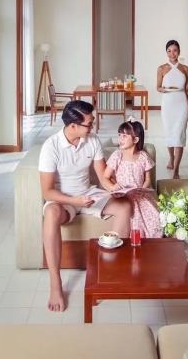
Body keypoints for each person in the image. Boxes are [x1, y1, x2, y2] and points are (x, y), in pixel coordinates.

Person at [39, 100, 132, 312]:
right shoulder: (50, 147)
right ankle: (55, 283)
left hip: (88, 193)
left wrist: (115, 188)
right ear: (73, 125)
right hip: (63, 199)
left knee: (124, 205)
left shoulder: (92, 140)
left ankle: (110, 272)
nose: (92, 126)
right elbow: (47, 192)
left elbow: (102, 177)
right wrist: (74, 201)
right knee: (51, 213)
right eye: (89, 124)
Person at [104, 120, 161, 238]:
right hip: (123, 196)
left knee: (155, 216)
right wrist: (113, 186)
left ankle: (149, 242)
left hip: (140, 194)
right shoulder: (117, 155)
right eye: (119, 135)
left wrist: (143, 189)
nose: (120, 139)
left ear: (135, 140)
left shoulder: (144, 156)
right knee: (132, 215)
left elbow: (147, 179)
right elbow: (106, 176)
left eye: (125, 136)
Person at [157, 39, 188, 175]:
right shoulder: (161, 68)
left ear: (179, 51)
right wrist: (164, 89)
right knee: (169, 133)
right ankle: (171, 158)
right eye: (169, 51)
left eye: (175, 50)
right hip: (168, 104)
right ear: (166, 52)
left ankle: (176, 170)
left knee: (179, 135)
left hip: (181, 103)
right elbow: (158, 87)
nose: (172, 54)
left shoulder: (185, 68)